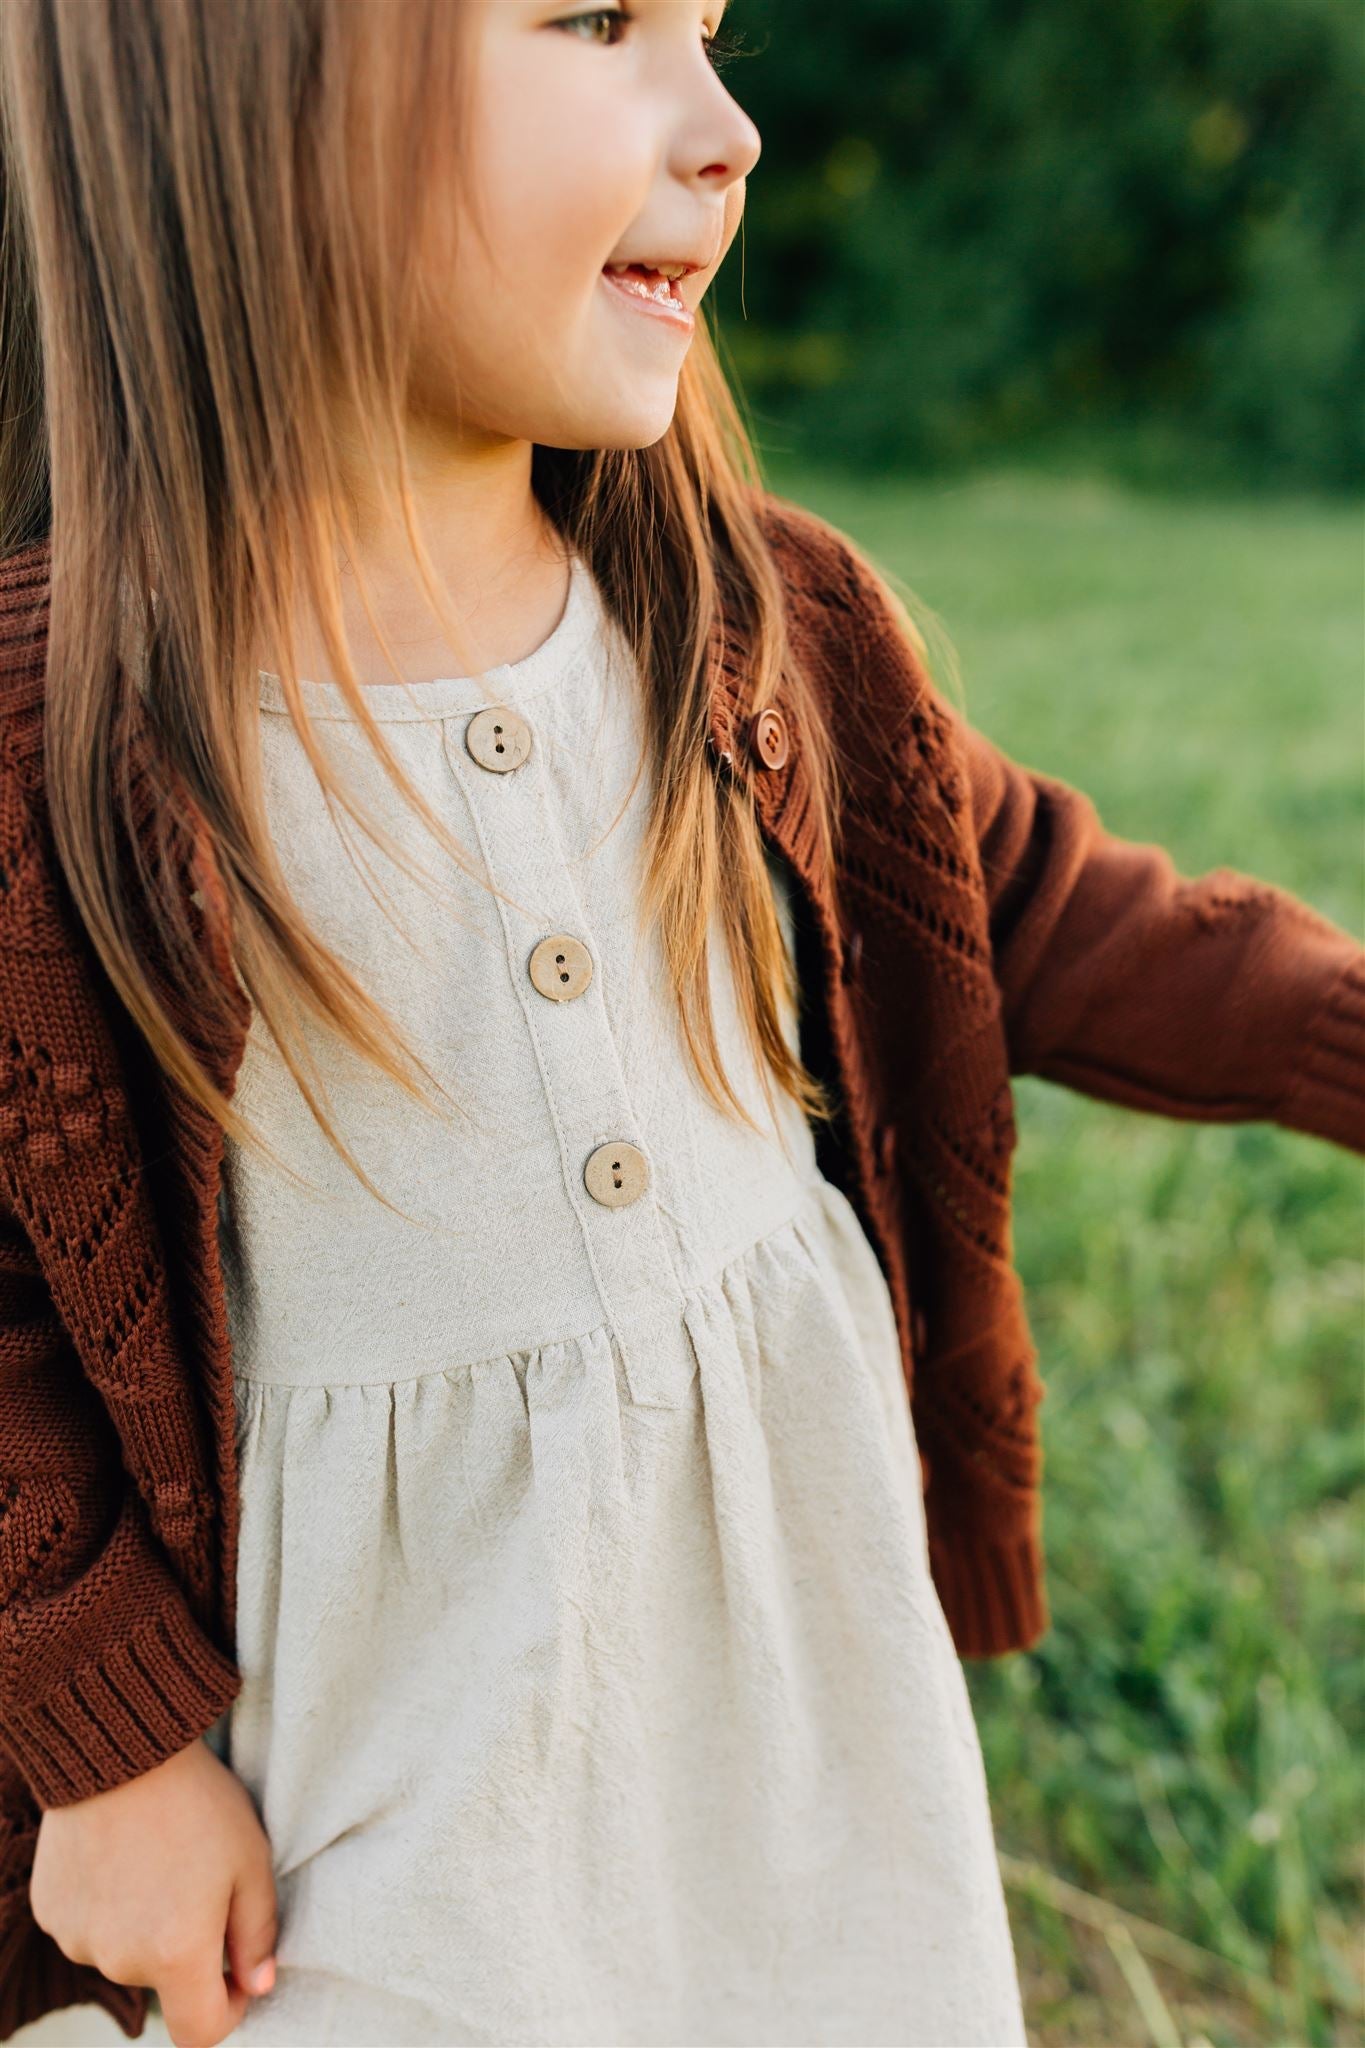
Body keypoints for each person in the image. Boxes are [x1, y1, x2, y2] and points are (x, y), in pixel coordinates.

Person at [0, 5, 1360, 2047]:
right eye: (595, 21)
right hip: (364, 1794)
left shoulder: (756, 625)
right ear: (238, 85)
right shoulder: (54, 753)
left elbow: (1052, 915)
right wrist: (99, 1743)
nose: (721, 124)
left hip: (788, 1722)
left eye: (710, 34)